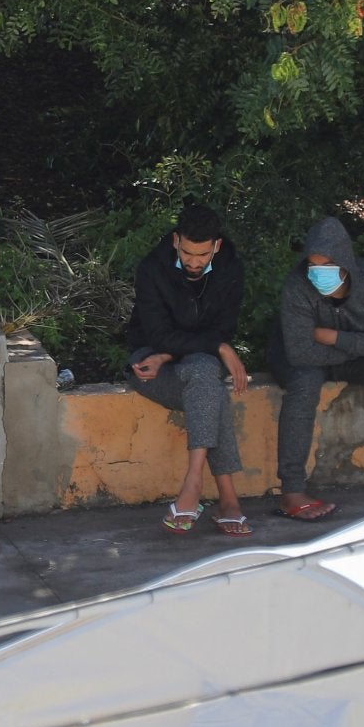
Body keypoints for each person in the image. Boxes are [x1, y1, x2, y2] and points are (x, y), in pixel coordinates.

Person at [269, 215, 364, 520]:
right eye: (313, 266)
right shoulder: (297, 285)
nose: (318, 274)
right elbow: (300, 353)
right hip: (304, 359)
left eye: (326, 266)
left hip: (345, 352)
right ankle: (292, 492)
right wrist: (359, 346)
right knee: (303, 385)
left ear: (344, 263)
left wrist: (333, 337)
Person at [124, 203, 252, 535]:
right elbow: (158, 335)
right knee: (208, 384)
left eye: (204, 255)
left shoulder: (230, 269)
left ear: (217, 246)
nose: (195, 263)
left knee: (204, 376)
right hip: (149, 366)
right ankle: (227, 500)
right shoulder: (152, 269)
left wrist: (203, 347)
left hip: (191, 364)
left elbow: (223, 328)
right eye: (188, 253)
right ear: (176, 241)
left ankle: (193, 485)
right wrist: (217, 348)